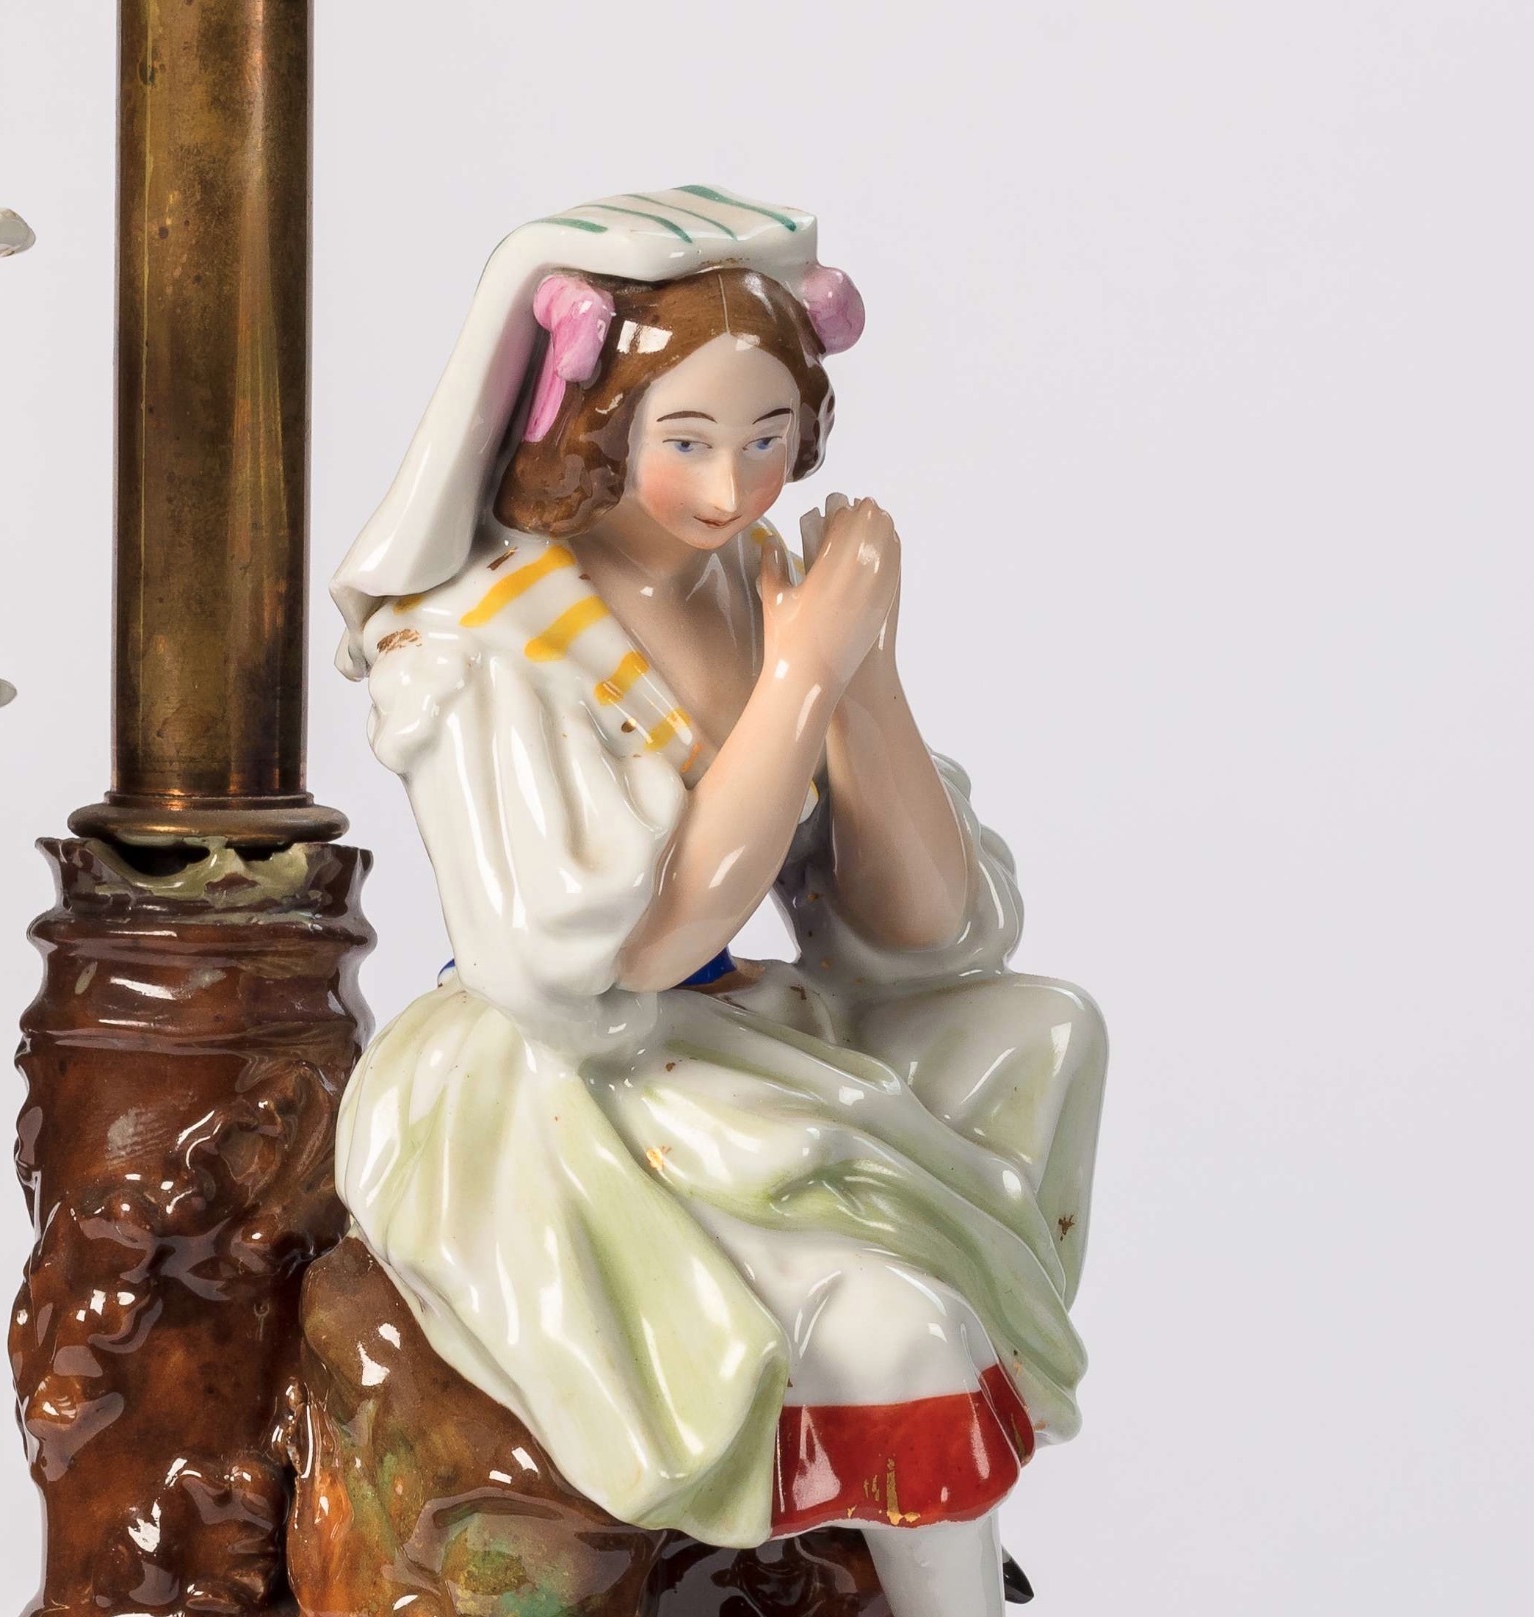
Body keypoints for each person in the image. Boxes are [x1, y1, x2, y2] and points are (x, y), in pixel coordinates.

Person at [314, 188, 1107, 1617]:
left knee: (1039, 1027)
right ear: (590, 426)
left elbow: (925, 934)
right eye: (686, 440)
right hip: (559, 1081)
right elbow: (631, 951)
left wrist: (861, 676)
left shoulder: (755, 584)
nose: (735, 486)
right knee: (898, 1323)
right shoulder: (489, 632)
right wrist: (798, 680)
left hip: (726, 1038)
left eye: (768, 437)